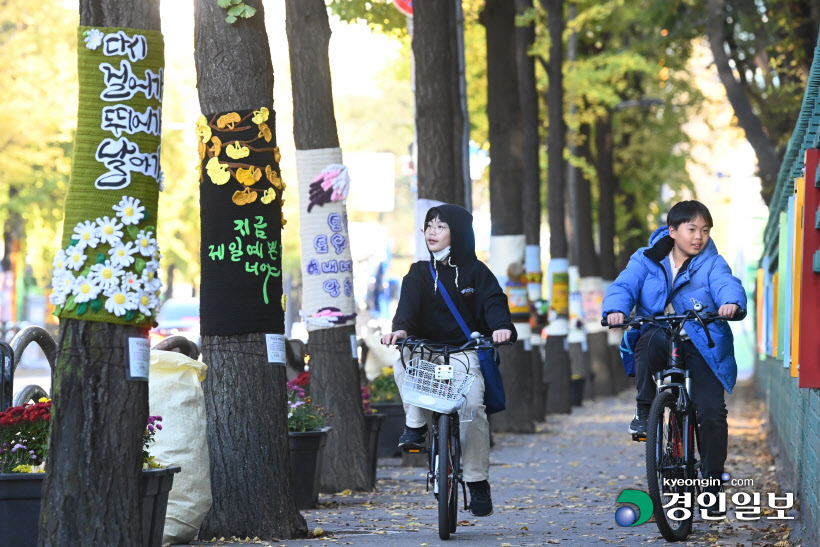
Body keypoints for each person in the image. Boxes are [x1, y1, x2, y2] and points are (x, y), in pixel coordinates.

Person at [602, 200, 746, 516]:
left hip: (701, 340)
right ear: (673, 230)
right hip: (661, 333)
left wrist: (730, 303)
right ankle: (644, 410)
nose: (699, 237)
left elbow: (725, 284)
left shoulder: (712, 262)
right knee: (647, 340)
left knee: (710, 413)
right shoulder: (646, 259)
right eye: (692, 229)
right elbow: (624, 285)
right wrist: (616, 309)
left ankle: (711, 483)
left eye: (705, 230)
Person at [381, 204, 516, 517]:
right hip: (427, 352)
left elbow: (494, 303)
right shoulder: (417, 272)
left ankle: (477, 481)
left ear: (458, 233)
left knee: (472, 409)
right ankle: (415, 426)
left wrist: (500, 328)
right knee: (402, 358)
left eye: (441, 226)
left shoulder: (476, 271)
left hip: (464, 352)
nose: (432, 232)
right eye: (429, 225)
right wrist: (398, 331)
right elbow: (406, 311)